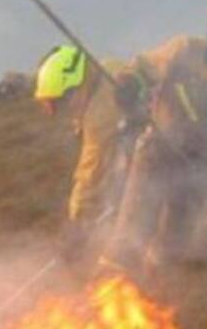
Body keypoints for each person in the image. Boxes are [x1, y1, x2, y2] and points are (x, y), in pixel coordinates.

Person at [100, 0, 207, 278]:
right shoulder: (183, 50)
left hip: (200, 171)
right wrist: (129, 84)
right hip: (159, 151)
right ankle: (111, 284)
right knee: (132, 229)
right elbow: (144, 67)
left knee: (170, 247)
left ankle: (154, 295)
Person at [34, 45, 149, 261]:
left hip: (157, 150)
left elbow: (91, 173)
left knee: (131, 192)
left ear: (72, 90)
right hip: (156, 133)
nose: (59, 112)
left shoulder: (100, 113)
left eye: (58, 102)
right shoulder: (105, 69)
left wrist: (76, 224)